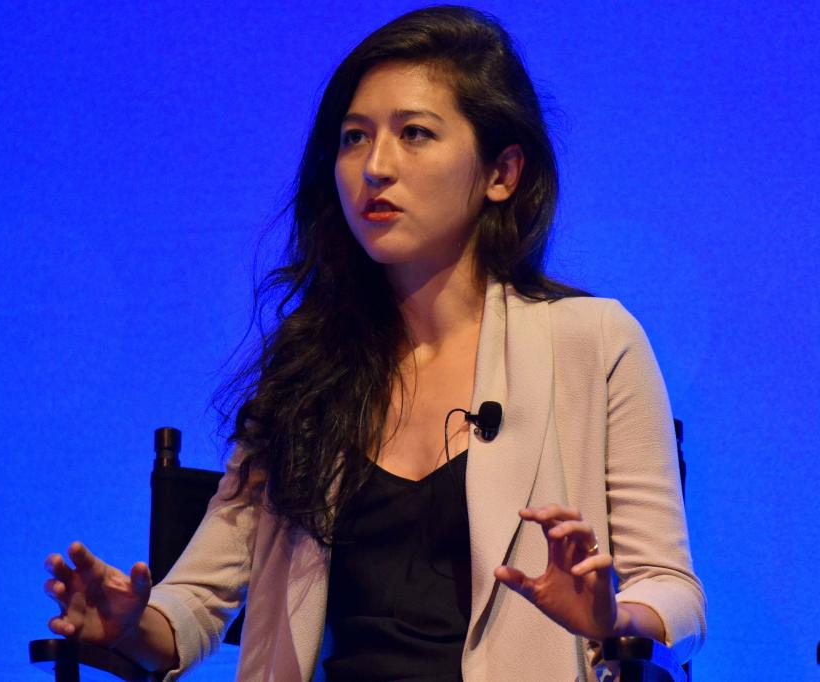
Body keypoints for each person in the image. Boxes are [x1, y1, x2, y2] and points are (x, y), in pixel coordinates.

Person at [44, 6, 706, 680]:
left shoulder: (594, 342)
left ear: (502, 172)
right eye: (355, 138)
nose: (375, 167)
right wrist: (130, 625)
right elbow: (198, 601)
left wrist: (613, 619)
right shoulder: (309, 366)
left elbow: (673, 591)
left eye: (414, 133)